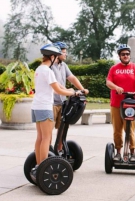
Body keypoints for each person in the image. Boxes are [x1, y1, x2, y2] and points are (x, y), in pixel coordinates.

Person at [30, 44, 81, 181]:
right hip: (45, 107)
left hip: (36, 107)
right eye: (56, 56)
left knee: (40, 138)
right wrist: (73, 92)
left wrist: (69, 91)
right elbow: (57, 90)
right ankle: (42, 167)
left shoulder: (39, 69)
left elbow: (57, 86)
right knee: (46, 138)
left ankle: (39, 166)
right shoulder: (48, 71)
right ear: (52, 57)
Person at [106, 44, 135, 162]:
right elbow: (108, 82)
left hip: (131, 103)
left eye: (127, 54)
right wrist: (116, 87)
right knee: (117, 129)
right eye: (123, 54)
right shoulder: (114, 68)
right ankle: (118, 152)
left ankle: (132, 153)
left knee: (130, 129)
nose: (125, 56)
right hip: (116, 104)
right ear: (119, 56)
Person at [51, 41, 89, 152]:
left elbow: (72, 77)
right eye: (63, 52)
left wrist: (82, 89)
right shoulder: (50, 66)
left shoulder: (63, 65)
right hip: (52, 103)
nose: (65, 54)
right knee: (48, 132)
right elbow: (55, 85)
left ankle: (59, 150)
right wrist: (69, 91)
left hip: (62, 102)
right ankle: (47, 153)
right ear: (57, 53)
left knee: (62, 128)